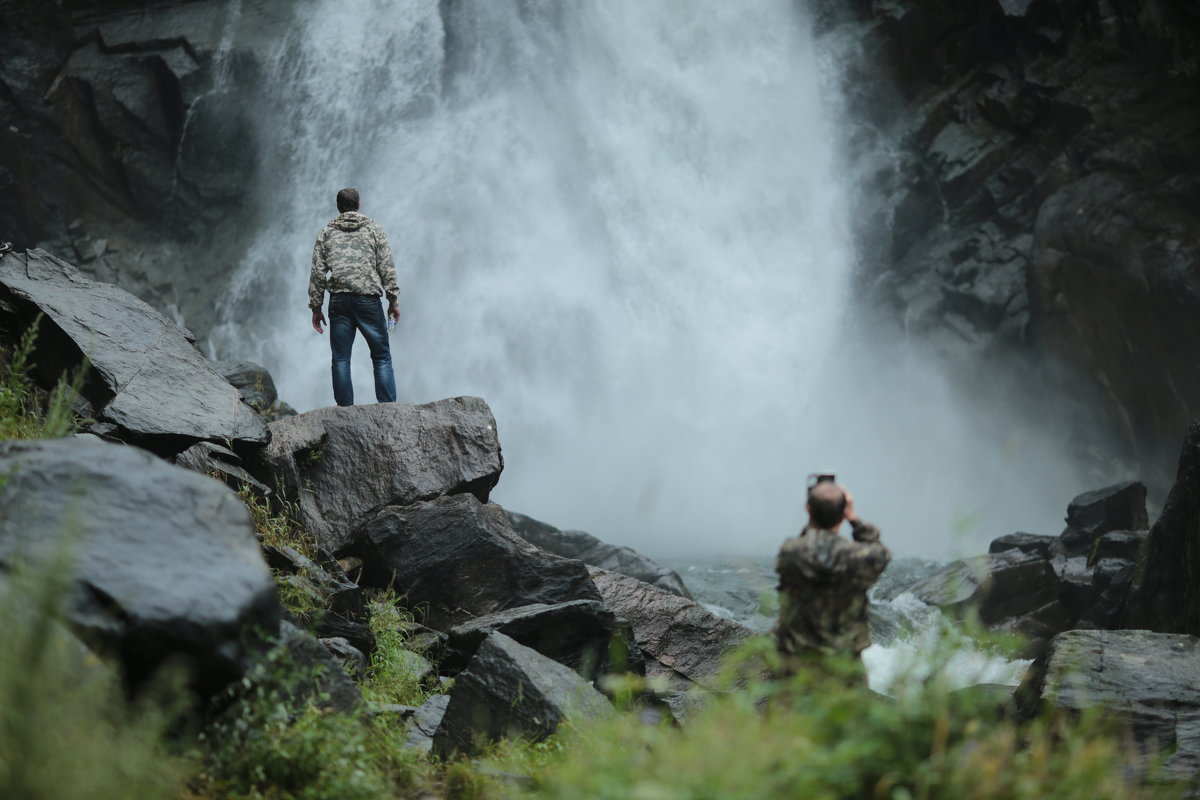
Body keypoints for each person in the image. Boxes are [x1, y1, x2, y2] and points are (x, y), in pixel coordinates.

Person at [772, 479, 891, 678]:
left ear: (808, 511)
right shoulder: (859, 558)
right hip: (844, 664)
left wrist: (815, 515)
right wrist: (853, 518)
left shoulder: (791, 551)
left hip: (796, 663)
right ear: (843, 514)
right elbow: (880, 551)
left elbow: (804, 543)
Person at [308, 188, 400, 406]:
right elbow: (386, 267)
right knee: (381, 357)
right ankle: (389, 409)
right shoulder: (374, 229)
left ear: (338, 206)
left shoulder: (326, 233)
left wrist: (316, 307)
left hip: (339, 301)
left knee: (340, 359)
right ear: (358, 204)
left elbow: (317, 273)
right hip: (368, 299)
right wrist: (393, 300)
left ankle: (344, 412)